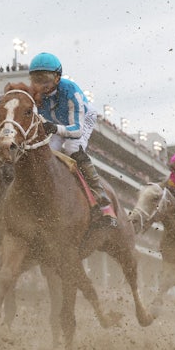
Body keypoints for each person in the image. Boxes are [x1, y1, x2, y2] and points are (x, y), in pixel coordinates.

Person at [28, 52, 117, 229]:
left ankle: (102, 200)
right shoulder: (33, 95)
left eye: (46, 79)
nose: (41, 85)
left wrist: (54, 128)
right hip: (56, 123)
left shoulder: (71, 91)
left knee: (72, 148)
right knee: (46, 153)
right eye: (37, 80)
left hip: (81, 120)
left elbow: (76, 130)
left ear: (57, 78)